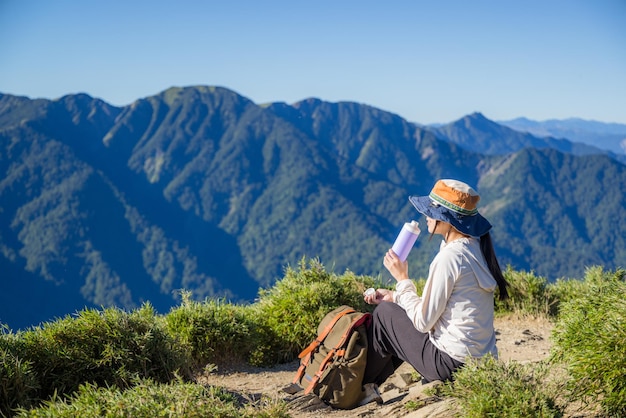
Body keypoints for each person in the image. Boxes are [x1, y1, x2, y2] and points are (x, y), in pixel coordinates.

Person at [360, 179, 509, 403]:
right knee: (391, 308)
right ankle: (367, 387)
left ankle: (360, 389)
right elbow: (440, 311)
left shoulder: (450, 258)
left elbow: (422, 322)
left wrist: (402, 279)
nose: (427, 216)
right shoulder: (475, 248)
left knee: (384, 315)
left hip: (450, 364)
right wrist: (396, 296)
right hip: (479, 365)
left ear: (447, 219)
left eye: (431, 211)